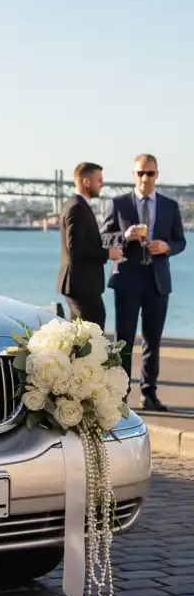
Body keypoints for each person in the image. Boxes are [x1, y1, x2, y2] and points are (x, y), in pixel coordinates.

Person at [101, 153, 187, 412]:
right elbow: (104, 237)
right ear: (133, 175)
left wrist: (167, 247)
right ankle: (119, 395)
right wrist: (124, 235)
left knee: (153, 340)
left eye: (150, 173)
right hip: (127, 280)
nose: (145, 178)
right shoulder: (118, 203)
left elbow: (181, 241)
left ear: (157, 175)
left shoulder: (170, 206)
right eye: (141, 173)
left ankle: (149, 394)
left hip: (158, 282)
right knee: (123, 340)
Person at [57, 162, 122, 329]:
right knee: (92, 333)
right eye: (99, 180)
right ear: (86, 182)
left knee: (80, 336)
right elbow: (75, 246)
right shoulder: (77, 207)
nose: (102, 184)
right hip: (81, 285)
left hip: (79, 284)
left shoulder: (76, 204)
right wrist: (107, 254)